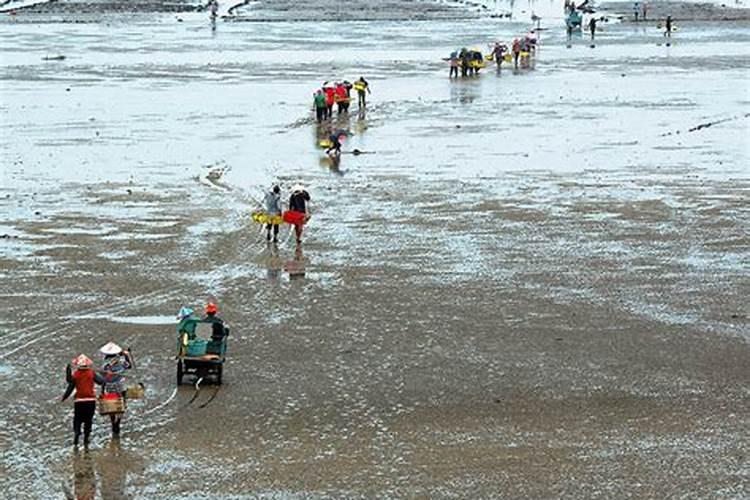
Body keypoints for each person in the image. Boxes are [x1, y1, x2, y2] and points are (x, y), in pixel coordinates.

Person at [62, 354, 103, 447]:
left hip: (79, 401)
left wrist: (64, 397)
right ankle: (86, 438)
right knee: (88, 420)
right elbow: (101, 382)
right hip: (90, 401)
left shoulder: (76, 374)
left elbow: (70, 384)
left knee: (77, 419)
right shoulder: (91, 373)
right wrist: (103, 375)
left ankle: (77, 433)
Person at [99, 342, 133, 437]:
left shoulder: (105, 365)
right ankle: (118, 421)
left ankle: (113, 421)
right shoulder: (121, 362)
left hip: (110, 388)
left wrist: (102, 390)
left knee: (111, 406)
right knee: (121, 405)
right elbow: (129, 366)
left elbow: (103, 378)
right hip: (121, 387)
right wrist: (126, 356)